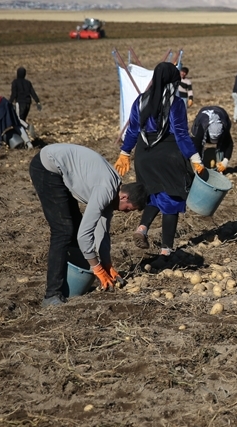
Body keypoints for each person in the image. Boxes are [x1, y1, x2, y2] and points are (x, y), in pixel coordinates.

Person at [30, 143, 146, 307]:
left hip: (60, 171)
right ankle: (52, 295)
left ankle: (70, 282)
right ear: (125, 198)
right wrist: (96, 268)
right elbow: (84, 236)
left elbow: (102, 233)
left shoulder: (113, 192)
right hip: (46, 167)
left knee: (75, 226)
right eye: (129, 209)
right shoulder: (105, 190)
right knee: (63, 230)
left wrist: (107, 265)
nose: (126, 213)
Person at [115, 62, 205, 262]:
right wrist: (195, 159)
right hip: (168, 156)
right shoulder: (175, 103)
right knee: (172, 200)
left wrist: (124, 152)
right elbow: (181, 134)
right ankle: (166, 251)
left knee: (152, 193)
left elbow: (132, 130)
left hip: (144, 155)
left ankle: (142, 228)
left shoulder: (140, 101)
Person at [190, 105, 233, 172]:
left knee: (223, 145)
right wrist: (198, 162)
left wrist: (225, 161)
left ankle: (219, 165)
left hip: (221, 112)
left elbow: (229, 144)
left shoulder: (224, 126)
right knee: (196, 147)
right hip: (203, 119)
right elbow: (196, 145)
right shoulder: (201, 128)